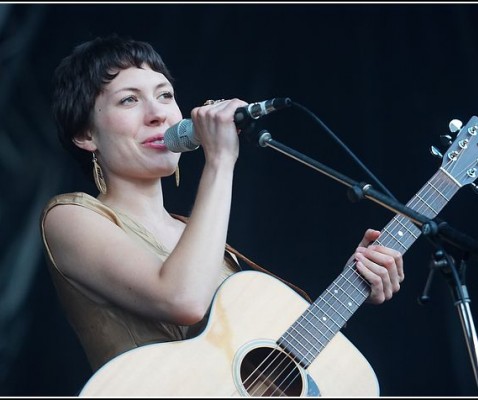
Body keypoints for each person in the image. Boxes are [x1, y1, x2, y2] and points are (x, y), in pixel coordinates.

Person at [39, 34, 404, 395]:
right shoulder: (69, 217)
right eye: (129, 100)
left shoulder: (197, 235)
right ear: (86, 134)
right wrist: (221, 160)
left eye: (165, 95)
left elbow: (256, 370)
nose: (158, 114)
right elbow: (183, 299)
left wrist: (355, 283)